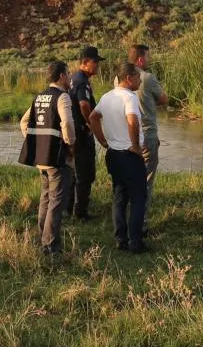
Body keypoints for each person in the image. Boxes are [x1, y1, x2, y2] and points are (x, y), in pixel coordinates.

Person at [89, 63, 149, 254]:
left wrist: (103, 141)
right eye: (138, 77)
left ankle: (120, 238)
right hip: (129, 155)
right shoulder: (129, 97)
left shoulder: (107, 97)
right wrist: (136, 146)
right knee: (138, 198)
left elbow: (93, 117)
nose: (140, 81)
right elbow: (132, 121)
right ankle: (135, 241)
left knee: (119, 196)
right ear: (129, 78)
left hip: (113, 154)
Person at [19, 61, 76, 255]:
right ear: (61, 76)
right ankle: (50, 246)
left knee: (45, 198)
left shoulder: (39, 96)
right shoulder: (63, 97)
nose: (70, 78)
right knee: (56, 201)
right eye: (68, 74)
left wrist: (36, 140)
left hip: (41, 157)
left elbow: (24, 122)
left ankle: (43, 237)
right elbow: (67, 122)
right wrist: (70, 144)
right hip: (58, 158)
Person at [129, 44, 168, 235]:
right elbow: (164, 99)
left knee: (131, 179)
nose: (150, 60)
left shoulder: (118, 78)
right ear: (141, 60)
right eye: (148, 57)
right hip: (147, 134)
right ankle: (141, 224)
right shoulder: (148, 78)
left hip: (128, 136)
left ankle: (129, 218)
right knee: (146, 180)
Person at [65, 46, 101, 220]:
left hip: (73, 133)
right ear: (85, 62)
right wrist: (91, 124)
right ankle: (80, 213)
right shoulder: (81, 81)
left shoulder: (73, 78)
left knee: (75, 173)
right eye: (95, 62)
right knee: (84, 174)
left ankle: (70, 207)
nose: (97, 66)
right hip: (81, 134)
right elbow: (84, 105)